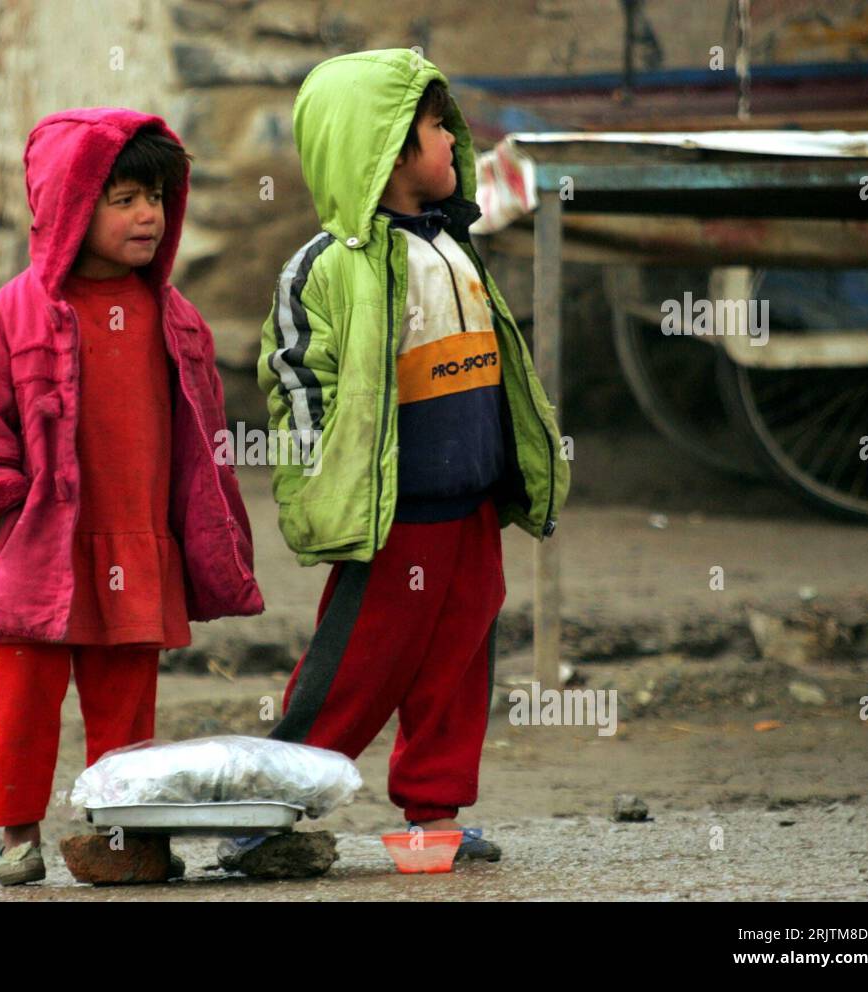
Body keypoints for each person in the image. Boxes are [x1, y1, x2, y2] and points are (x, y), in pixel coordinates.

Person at [231, 49, 569, 869]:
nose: (454, 143)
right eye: (434, 130)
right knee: (355, 671)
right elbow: (294, 378)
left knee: (458, 663)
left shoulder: (456, 246)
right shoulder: (327, 268)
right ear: (381, 149)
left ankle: (434, 816)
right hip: (395, 516)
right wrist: (321, 484)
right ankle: (269, 811)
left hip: (472, 507)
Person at [0, 108, 264, 885]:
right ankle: (18, 835)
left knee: (125, 706)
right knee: (23, 704)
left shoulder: (175, 319)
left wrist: (207, 527)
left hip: (136, 543)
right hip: (36, 547)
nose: (147, 214)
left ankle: (124, 834)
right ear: (68, 206)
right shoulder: (7, 316)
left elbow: (203, 437)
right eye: (122, 197)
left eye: (155, 195)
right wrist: (1, 501)